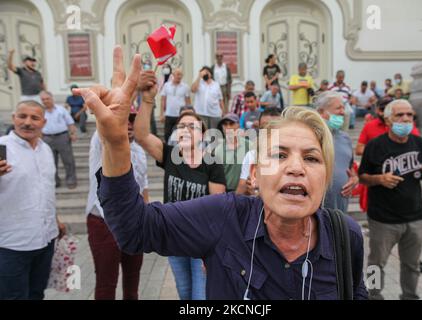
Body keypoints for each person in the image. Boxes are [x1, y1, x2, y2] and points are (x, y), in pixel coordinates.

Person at [73, 46, 367, 300]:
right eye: (278, 155)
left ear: (325, 177)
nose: (295, 167)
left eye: (312, 158)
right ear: (253, 175)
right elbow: (135, 229)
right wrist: (114, 143)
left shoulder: (345, 236)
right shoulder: (224, 217)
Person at [134, 69, 226, 300]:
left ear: (203, 134)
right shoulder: (170, 155)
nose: (186, 130)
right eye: (181, 126)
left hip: (201, 242)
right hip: (173, 239)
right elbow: (142, 135)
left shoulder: (211, 164)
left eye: (192, 126)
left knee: (200, 297)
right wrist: (147, 100)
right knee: (185, 294)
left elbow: (218, 209)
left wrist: (212, 251)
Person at [358, 100, 422, 300]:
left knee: (412, 264)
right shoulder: (375, 145)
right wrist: (379, 179)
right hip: (383, 219)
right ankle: (372, 295)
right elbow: (362, 177)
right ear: (388, 119)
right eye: (400, 115)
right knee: (376, 263)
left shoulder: (418, 143)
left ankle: (410, 296)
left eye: (409, 115)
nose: (405, 119)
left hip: (416, 217)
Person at [0, 100, 65, 300]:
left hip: (45, 239)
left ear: (43, 123)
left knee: (37, 294)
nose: (28, 122)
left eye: (34, 118)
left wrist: (56, 220)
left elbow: (45, 190)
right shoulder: (2, 146)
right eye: (22, 116)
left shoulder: (45, 150)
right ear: (13, 118)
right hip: (11, 244)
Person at [86, 107, 148, 300]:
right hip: (103, 222)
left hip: (133, 223)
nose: (128, 124)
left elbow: (143, 185)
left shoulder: (138, 149)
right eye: (124, 120)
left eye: (132, 120)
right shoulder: (102, 142)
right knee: (106, 282)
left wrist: (145, 217)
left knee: (133, 280)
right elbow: (104, 127)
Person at [316, 92, 359, 213]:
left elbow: (350, 168)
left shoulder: (345, 138)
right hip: (314, 214)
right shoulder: (310, 137)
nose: (343, 112)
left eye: (343, 108)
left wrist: (354, 179)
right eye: (338, 108)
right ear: (321, 112)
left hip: (339, 213)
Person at [236, 107, 281, 196]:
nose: (269, 131)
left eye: (275, 127)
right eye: (264, 127)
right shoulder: (251, 155)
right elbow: (240, 192)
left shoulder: (293, 158)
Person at [40, 90, 78, 189]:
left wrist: (73, 133)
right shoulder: (40, 112)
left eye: (47, 99)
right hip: (47, 138)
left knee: (68, 160)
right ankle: (55, 181)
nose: (45, 101)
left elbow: (70, 123)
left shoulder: (61, 110)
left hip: (63, 137)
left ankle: (71, 180)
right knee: (51, 161)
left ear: (52, 98)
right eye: (43, 99)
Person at [216, 113, 252, 193]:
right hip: (226, 193)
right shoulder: (217, 150)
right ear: (222, 127)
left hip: (247, 192)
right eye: (225, 124)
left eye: (231, 124)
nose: (228, 127)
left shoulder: (249, 146)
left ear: (238, 125)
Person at [159, 68, 191, 142]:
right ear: (173, 75)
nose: (179, 76)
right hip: (169, 114)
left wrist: (188, 114)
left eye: (181, 75)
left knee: (180, 135)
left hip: (180, 115)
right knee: (167, 135)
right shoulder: (166, 85)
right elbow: (163, 100)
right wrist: (161, 114)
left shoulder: (185, 86)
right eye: (178, 74)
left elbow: (188, 102)